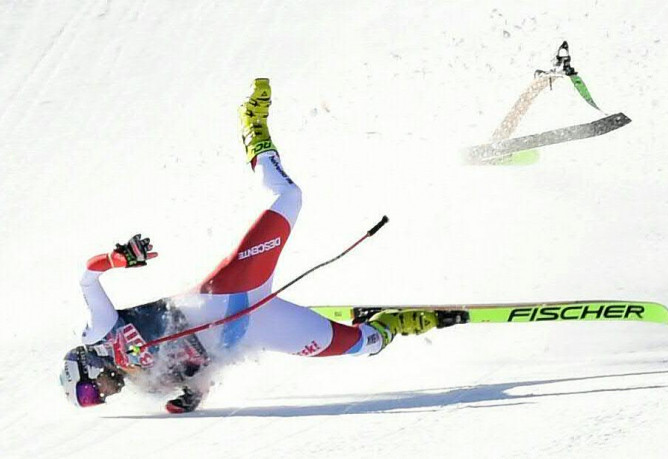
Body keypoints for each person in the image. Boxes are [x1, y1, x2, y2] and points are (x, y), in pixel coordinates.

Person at [59, 79, 446, 414]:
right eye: (97, 400)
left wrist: (118, 258)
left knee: (289, 196)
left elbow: (87, 280)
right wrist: (192, 397)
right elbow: (202, 374)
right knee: (360, 344)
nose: (104, 396)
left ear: (86, 368)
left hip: (233, 288)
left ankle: (253, 127)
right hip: (256, 328)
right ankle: (398, 322)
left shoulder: (99, 334)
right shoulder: (147, 385)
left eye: (91, 392)